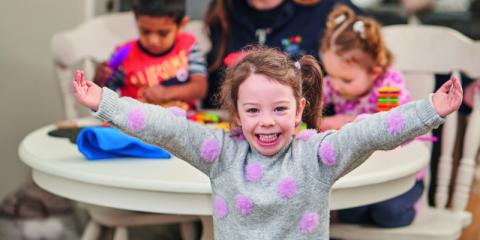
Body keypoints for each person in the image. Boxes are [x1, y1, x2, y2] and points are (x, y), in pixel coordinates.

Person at [72, 47, 462, 239]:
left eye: (279, 108)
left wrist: (431, 109)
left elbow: (372, 131)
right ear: (237, 115)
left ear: (299, 110)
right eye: (254, 111)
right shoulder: (220, 154)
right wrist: (105, 102)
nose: (267, 121)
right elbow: (163, 127)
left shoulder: (319, 156)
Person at [319, 5, 423, 228]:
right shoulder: (333, 85)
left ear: (374, 71)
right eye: (331, 75)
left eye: (346, 80)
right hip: (360, 172)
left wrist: (349, 122)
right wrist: (322, 122)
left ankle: (412, 201)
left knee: (389, 214)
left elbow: (396, 128)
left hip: (396, 173)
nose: (335, 85)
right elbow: (308, 114)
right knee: (349, 215)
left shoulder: (388, 86)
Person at [203, 0, 362, 108]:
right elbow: (212, 91)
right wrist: (234, 74)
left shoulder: (329, 7)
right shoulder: (223, 10)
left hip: (319, 124)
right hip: (245, 126)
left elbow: (370, 68)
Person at [94, 0, 207, 110]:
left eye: (163, 33)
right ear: (137, 20)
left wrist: (167, 93)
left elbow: (200, 88)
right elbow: (104, 97)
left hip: (183, 120)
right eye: (145, 31)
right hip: (134, 123)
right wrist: (99, 79)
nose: (153, 40)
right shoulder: (123, 54)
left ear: (182, 24)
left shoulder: (188, 46)